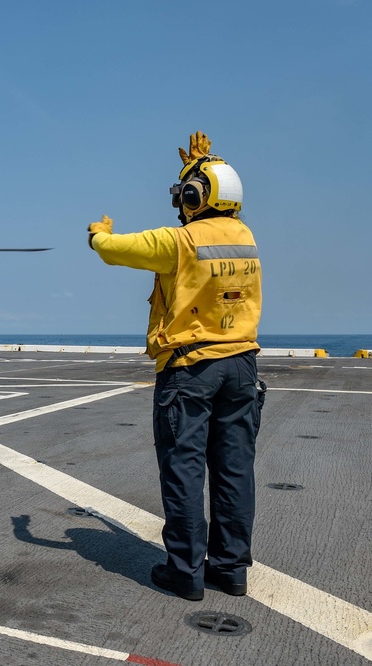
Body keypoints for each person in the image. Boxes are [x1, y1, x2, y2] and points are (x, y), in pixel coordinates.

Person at [86, 131, 265, 601]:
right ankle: (230, 569)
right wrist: (203, 166)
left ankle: (185, 571)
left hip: (190, 372)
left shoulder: (179, 242)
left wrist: (97, 232)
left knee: (184, 469)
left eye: (183, 194)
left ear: (192, 197)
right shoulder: (245, 237)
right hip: (241, 366)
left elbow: (113, 250)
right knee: (234, 471)